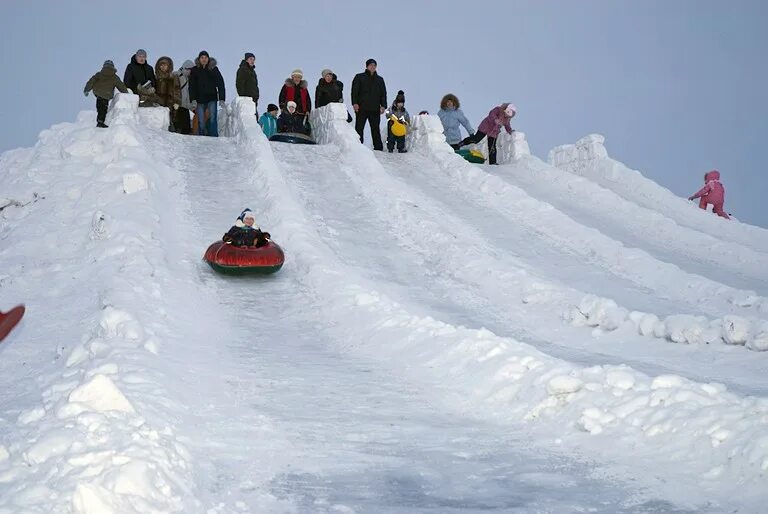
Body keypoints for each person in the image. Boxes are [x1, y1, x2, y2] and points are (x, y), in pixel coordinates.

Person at [351, 58, 387, 150]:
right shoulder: (359, 77)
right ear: (367, 66)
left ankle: (378, 148)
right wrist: (355, 103)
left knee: (375, 129)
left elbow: (383, 94)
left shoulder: (380, 79)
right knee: (359, 128)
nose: (373, 67)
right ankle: (358, 147)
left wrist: (383, 106)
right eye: (371, 65)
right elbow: (354, 91)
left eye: (374, 65)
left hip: (375, 109)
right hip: (361, 108)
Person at [189, 50, 226, 137]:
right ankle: (202, 137)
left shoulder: (213, 69)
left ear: (208, 59)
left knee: (213, 118)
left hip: (212, 98)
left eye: (205, 57)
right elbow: (192, 86)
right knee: (201, 120)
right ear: (199, 59)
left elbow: (220, 83)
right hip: (200, 99)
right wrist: (193, 99)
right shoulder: (195, 70)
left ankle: (214, 136)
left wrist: (222, 98)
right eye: (202, 57)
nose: (204, 59)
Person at [84, 60, 129, 128]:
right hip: (107, 94)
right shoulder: (115, 77)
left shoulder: (99, 74)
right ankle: (100, 122)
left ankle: (100, 121)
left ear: (104, 66)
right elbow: (121, 86)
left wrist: (86, 90)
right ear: (113, 67)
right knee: (103, 108)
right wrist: (127, 93)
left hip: (98, 93)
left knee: (100, 107)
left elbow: (91, 81)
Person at [154, 56, 181, 132]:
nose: (163, 67)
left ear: (169, 66)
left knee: (172, 120)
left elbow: (177, 90)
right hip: (159, 102)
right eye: (161, 65)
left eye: (165, 65)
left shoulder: (173, 77)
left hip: (171, 102)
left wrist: (177, 102)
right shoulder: (156, 77)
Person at [173, 59, 194, 135]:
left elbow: (188, 93)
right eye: (189, 69)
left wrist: (190, 105)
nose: (190, 71)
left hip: (184, 105)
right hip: (177, 103)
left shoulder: (189, 78)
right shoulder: (176, 75)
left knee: (186, 127)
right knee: (179, 123)